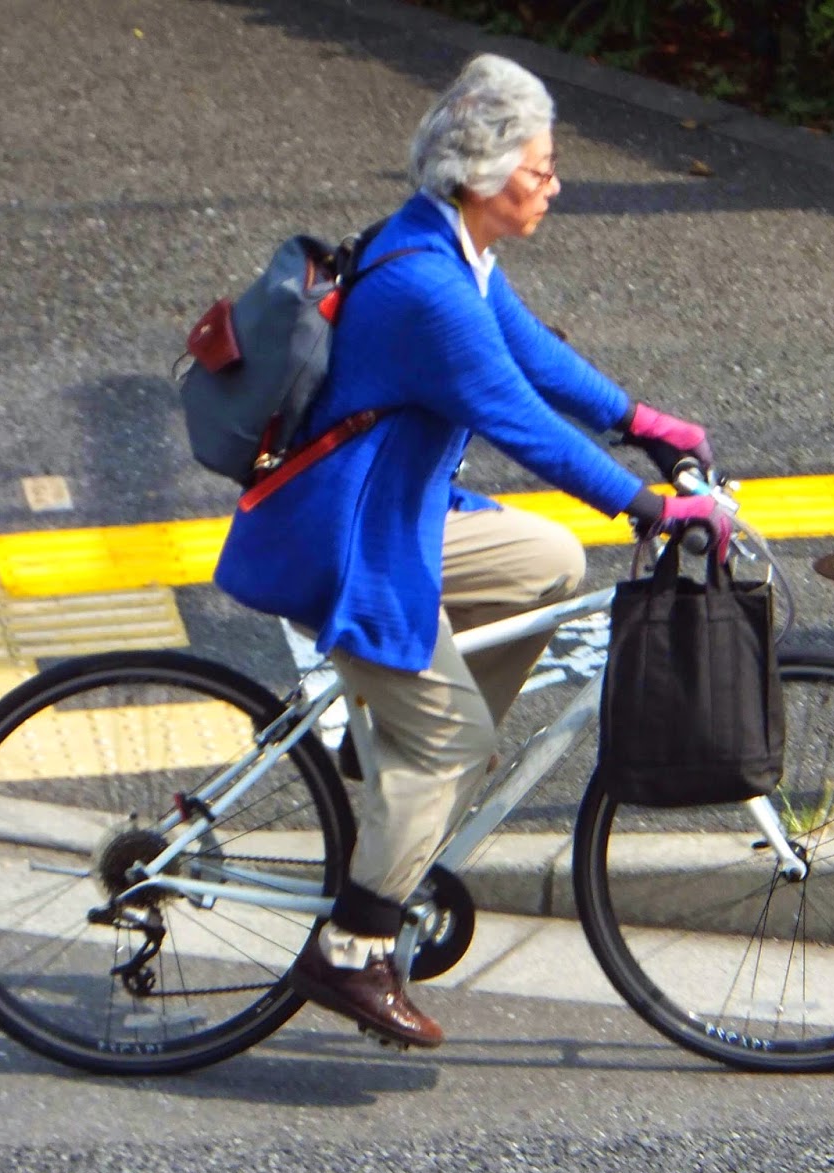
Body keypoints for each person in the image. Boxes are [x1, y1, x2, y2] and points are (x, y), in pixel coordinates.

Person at [214, 53, 730, 1048]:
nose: (554, 185)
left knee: (542, 560)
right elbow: (511, 417)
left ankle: (399, 765)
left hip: (395, 515)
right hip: (346, 544)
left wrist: (642, 419)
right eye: (542, 170)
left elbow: (531, 355)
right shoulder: (427, 292)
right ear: (488, 177)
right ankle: (352, 949)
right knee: (453, 740)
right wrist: (648, 507)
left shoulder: (450, 251)